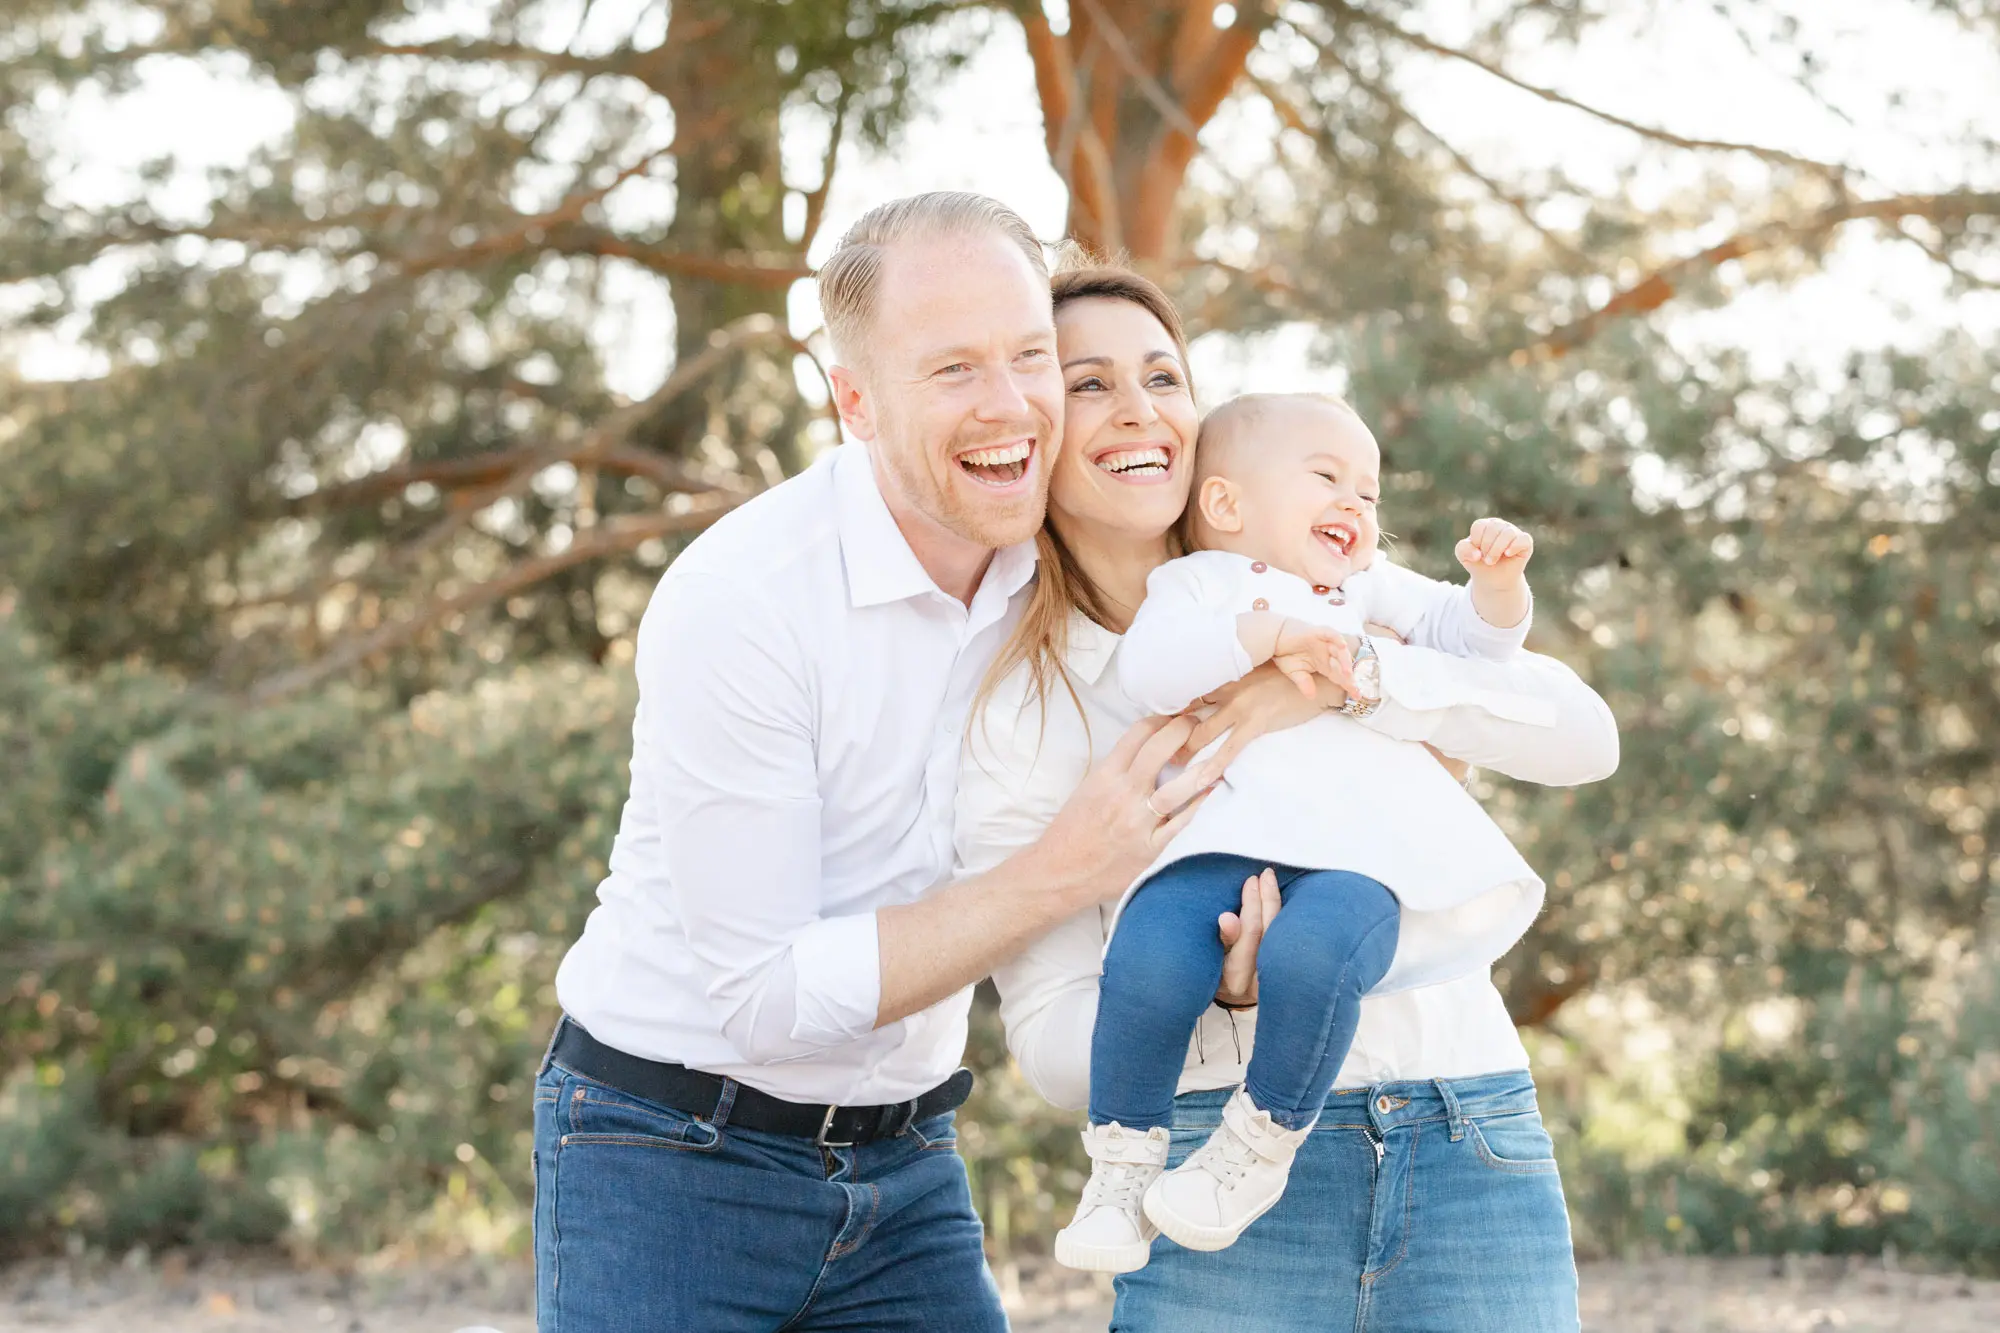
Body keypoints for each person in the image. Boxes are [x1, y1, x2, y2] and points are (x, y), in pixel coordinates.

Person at [528, 193, 1226, 1333]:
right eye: (951, 369)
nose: (1009, 404)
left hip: (903, 1159)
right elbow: (763, 998)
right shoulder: (743, 599)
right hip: (664, 1149)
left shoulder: (1058, 566)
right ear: (853, 398)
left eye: (1029, 357)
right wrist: (1066, 871)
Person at [956, 259, 1619, 1332]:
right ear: (1032, 424)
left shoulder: (1320, 574)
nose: (1137, 409)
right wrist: (1220, 995)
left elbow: (1582, 735)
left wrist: (1332, 684)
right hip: (1217, 1182)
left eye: (1162, 377)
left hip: (1466, 1126)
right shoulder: (1024, 708)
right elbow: (1050, 1048)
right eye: (1086, 384)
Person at [1058, 388, 1564, 1270]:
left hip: (1359, 857)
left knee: (1314, 958)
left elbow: (1473, 643)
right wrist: (1274, 634)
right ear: (1226, 504)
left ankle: (1255, 1147)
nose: (1357, 505)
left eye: (1369, 493)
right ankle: (1121, 1169)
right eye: (1328, 477)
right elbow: (1151, 671)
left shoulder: (1366, 588)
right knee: (1148, 957)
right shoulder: (1193, 586)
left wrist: (1496, 585)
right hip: (1219, 842)